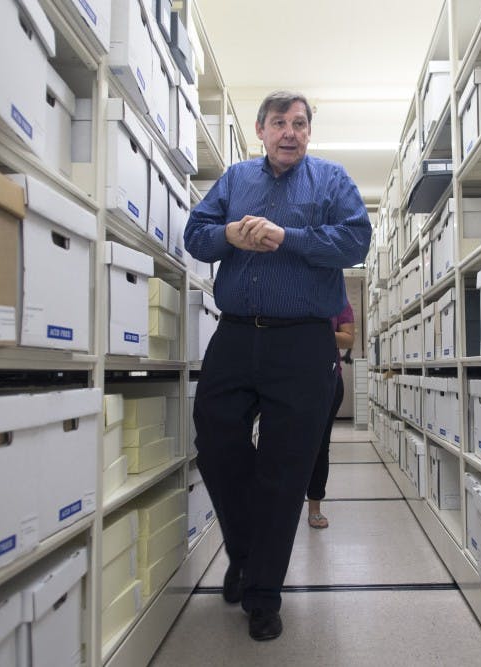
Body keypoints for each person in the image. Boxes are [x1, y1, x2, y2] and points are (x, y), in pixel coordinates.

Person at [183, 90, 371, 641]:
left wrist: (287, 237)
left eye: (300, 123)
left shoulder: (332, 181)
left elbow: (356, 239)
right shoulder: (236, 180)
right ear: (260, 130)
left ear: (309, 132)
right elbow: (195, 235)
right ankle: (245, 554)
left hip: (304, 344)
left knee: (285, 470)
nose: (290, 131)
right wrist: (228, 235)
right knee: (216, 446)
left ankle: (263, 592)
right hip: (237, 335)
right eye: (279, 123)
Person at [306, 298, 355, 529]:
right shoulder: (294, 292)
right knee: (284, 443)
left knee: (318, 444)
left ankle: (314, 508)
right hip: (290, 379)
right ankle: (278, 504)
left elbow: (348, 338)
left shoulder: (338, 301)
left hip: (328, 380)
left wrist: (319, 333)